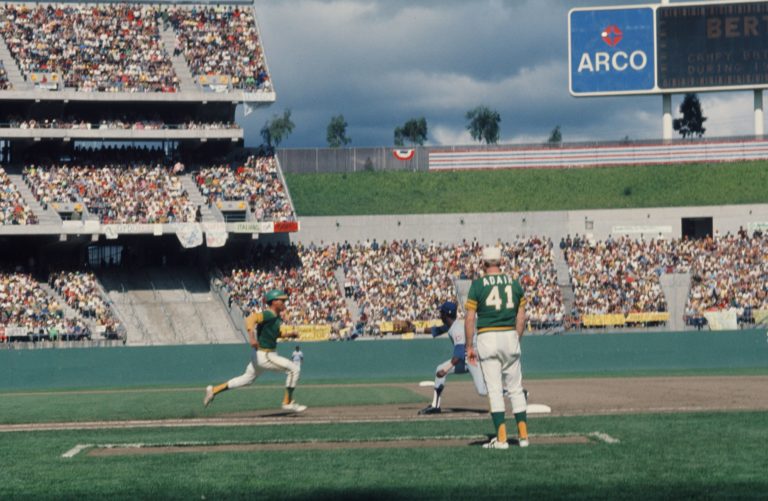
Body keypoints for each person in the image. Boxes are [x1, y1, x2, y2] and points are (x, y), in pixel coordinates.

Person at [465, 246, 529, 450]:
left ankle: (501, 439)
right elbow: (521, 317)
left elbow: (469, 319)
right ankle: (523, 436)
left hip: (487, 337)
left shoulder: (478, 285)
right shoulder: (514, 283)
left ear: (483, 263)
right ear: (501, 262)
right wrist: (515, 338)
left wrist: (468, 346)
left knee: (494, 390)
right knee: (516, 389)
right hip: (509, 335)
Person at [204, 289, 306, 412]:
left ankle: (213, 390)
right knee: (294, 369)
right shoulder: (269, 314)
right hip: (266, 355)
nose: (285, 302)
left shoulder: (276, 317)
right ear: (273, 302)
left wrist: (289, 334)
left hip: (260, 356)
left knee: (246, 379)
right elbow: (250, 319)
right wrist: (251, 337)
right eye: (282, 300)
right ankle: (287, 402)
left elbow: (275, 334)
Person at [418, 301, 487, 415]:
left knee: (482, 390)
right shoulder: (452, 325)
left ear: (446, 315)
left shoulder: (457, 329)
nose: (440, 314)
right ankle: (435, 406)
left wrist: (445, 370)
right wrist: (414, 329)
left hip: (472, 357)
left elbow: (458, 355)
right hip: (467, 357)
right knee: (439, 368)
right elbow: (436, 330)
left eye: (442, 312)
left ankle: (512, 392)